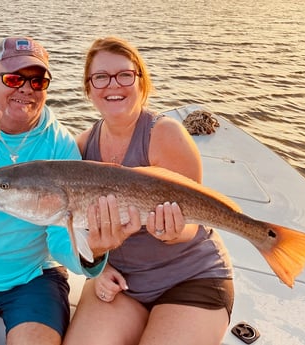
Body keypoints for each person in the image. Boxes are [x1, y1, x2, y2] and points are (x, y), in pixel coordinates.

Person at [0, 37, 141, 345]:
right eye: (14, 78)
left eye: (38, 80)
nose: (26, 88)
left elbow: (60, 238)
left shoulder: (60, 144)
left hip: (30, 279)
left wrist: (94, 251)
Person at [63, 36, 234, 345]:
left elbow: (194, 220)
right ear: (88, 88)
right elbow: (76, 233)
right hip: (122, 282)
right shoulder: (81, 147)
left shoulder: (164, 132)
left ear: (142, 81)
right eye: (100, 77)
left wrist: (171, 232)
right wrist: (99, 267)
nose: (113, 85)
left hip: (190, 277)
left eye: (125, 75)